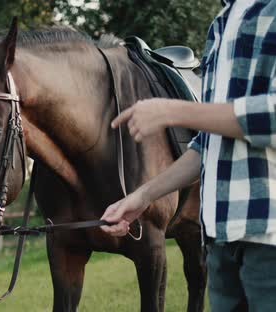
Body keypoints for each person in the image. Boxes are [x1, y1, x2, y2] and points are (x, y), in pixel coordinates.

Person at [100, 0, 276, 310]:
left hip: (269, 236)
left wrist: (174, 111)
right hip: (221, 240)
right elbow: (209, 145)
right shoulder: (222, 23)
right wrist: (141, 197)